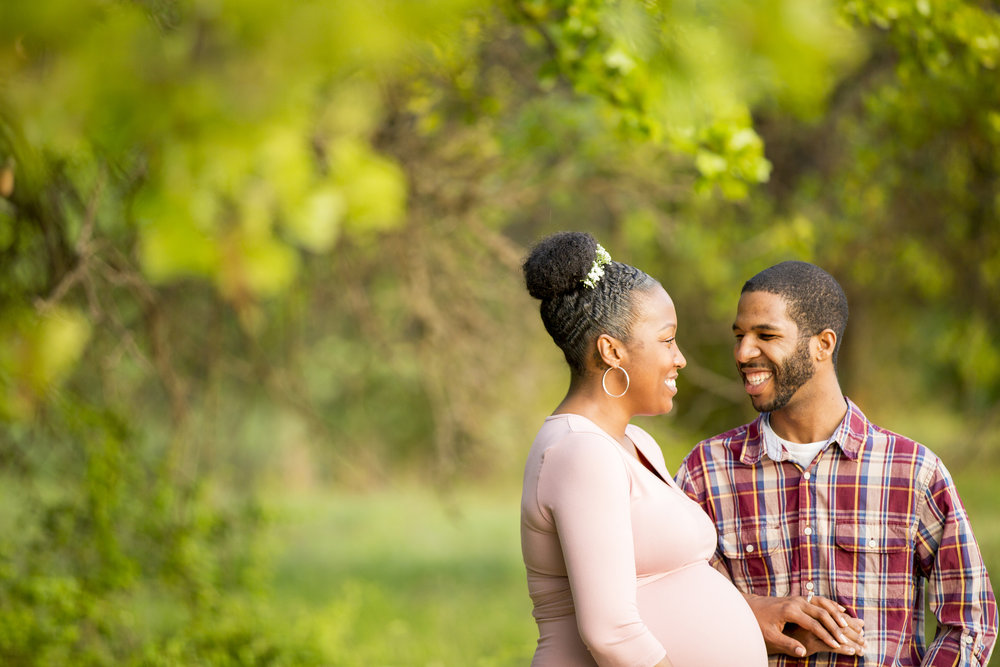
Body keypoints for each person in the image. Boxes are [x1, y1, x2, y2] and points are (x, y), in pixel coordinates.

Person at [675, 260, 998, 666]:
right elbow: (672, 604)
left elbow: (971, 619)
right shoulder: (705, 472)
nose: (743, 353)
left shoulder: (913, 472)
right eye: (739, 336)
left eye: (766, 335)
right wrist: (744, 614)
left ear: (822, 344)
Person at [520, 231, 776, 666]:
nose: (680, 358)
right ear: (611, 350)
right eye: (666, 339)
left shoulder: (634, 443)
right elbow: (610, 633)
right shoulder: (581, 453)